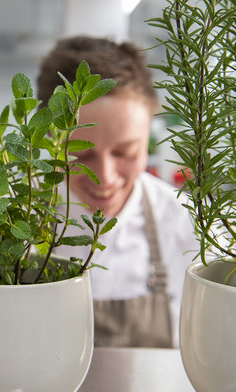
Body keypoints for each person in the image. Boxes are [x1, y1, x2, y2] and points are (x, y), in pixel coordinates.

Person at [37, 36, 198, 348]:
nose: (104, 178)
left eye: (125, 152)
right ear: (46, 137)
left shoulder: (185, 221)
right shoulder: (17, 219)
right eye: (81, 156)